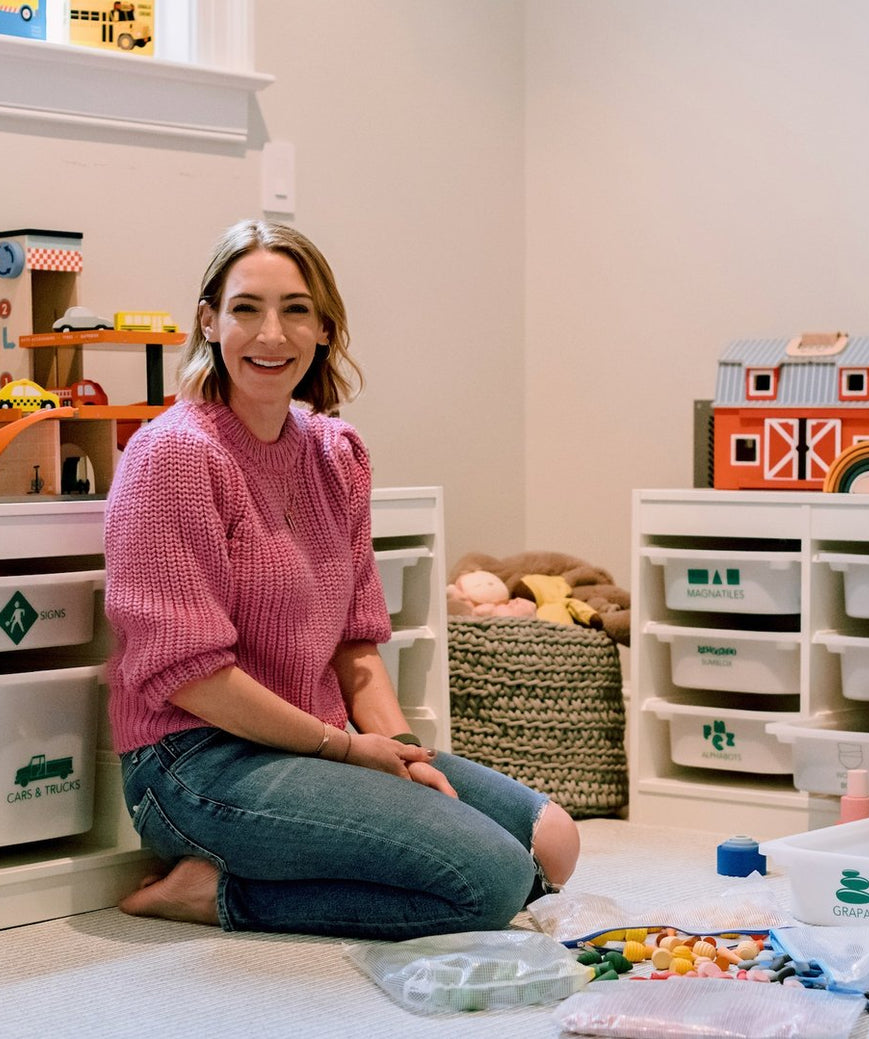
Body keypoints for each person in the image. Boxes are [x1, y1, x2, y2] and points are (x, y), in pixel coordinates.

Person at [104, 219, 579, 939]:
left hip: (319, 742)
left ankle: (282, 863)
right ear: (209, 320)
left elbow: (356, 648)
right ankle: (214, 894)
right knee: (490, 881)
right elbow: (192, 676)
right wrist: (353, 751)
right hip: (195, 761)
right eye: (245, 308)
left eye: (295, 309)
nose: (271, 334)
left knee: (555, 845)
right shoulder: (172, 455)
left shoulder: (335, 453)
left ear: (324, 327)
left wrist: (404, 757)